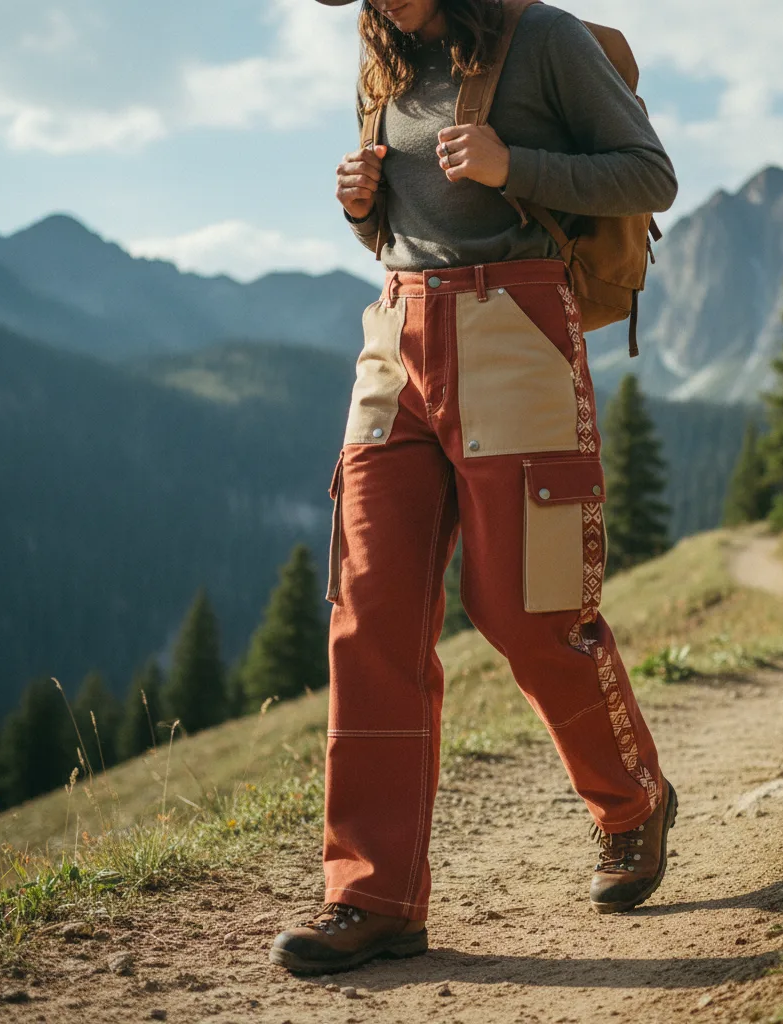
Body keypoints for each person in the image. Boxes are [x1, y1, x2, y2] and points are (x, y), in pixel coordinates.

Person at [270, 0, 679, 975]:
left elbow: (649, 174)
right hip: (395, 340)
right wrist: (362, 203)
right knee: (366, 613)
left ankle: (632, 804)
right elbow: (406, 224)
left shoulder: (540, 39)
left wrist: (513, 166)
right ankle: (370, 895)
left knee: (526, 608)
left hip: (516, 331)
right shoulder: (383, 56)